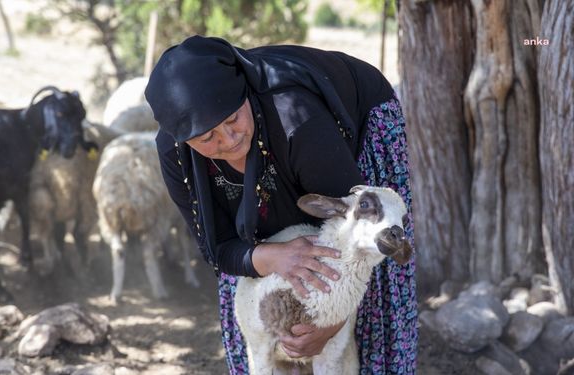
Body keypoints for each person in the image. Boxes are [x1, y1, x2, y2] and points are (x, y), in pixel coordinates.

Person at [146, 35, 417, 374]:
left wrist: (329, 326)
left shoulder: (297, 119)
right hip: (284, 156)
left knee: (378, 258)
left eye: (233, 120)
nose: (229, 141)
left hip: (353, 136)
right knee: (247, 287)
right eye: (207, 138)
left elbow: (358, 234)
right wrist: (271, 256)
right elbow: (219, 248)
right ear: (184, 141)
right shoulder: (177, 157)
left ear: (245, 93)